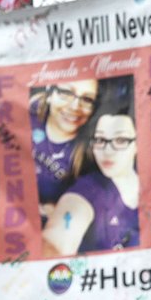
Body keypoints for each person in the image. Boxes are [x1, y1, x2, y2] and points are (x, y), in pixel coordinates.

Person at [42, 106, 140, 256]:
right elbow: (57, 241)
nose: (107, 151)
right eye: (100, 140)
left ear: (138, 144)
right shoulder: (89, 190)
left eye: (120, 140)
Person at [30, 78, 100, 222]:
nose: (75, 106)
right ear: (50, 94)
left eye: (87, 99)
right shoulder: (28, 113)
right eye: (66, 92)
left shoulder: (90, 155)